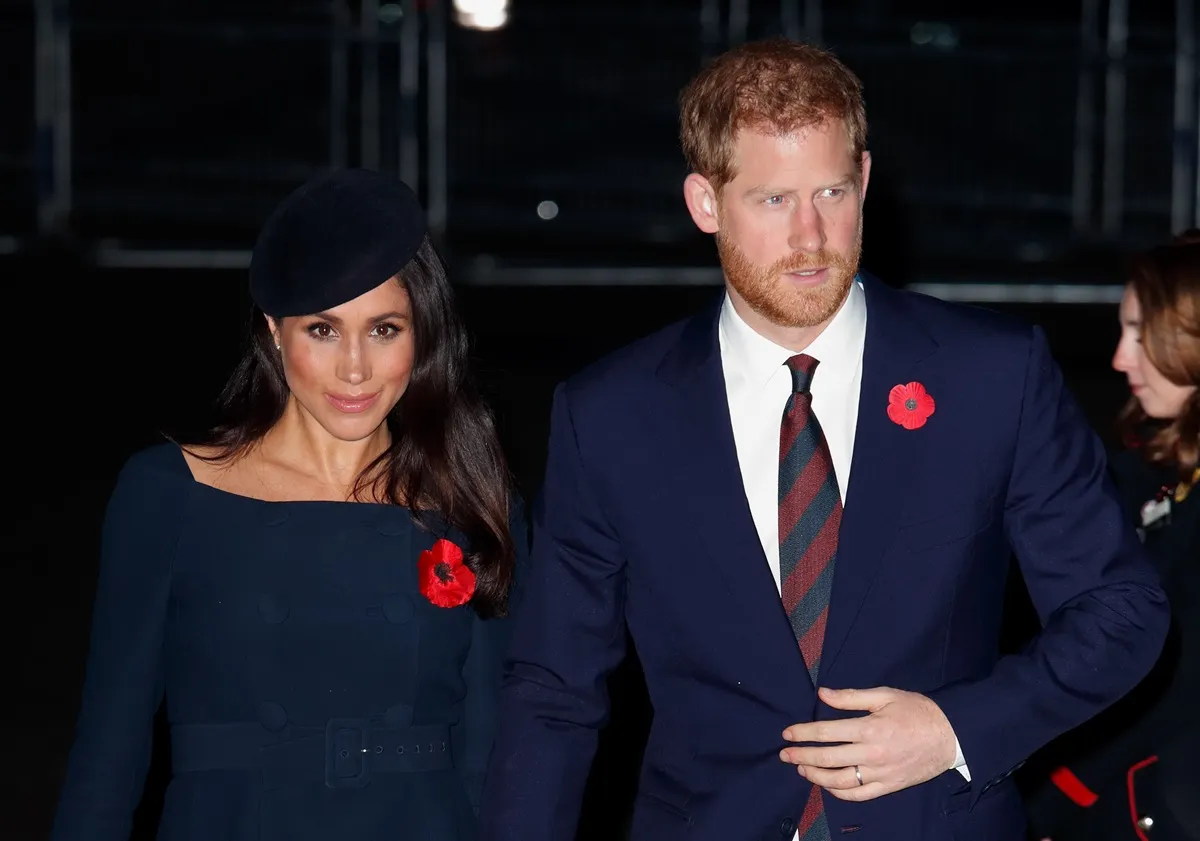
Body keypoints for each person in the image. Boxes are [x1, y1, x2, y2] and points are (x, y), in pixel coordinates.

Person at [477, 38, 1169, 841]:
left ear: (866, 180)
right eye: (773, 201)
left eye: (832, 192)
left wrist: (955, 729)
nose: (811, 236)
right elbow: (554, 688)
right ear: (705, 202)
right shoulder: (611, 415)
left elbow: (1122, 610)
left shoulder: (993, 377)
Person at [49, 169, 525, 841]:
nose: (355, 368)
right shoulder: (171, 495)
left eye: (384, 328)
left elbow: (492, 761)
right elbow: (107, 757)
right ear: (274, 330)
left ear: (421, 334)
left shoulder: (469, 499)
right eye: (324, 330)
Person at [1025, 234, 1200, 841]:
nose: (1122, 359)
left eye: (1142, 334)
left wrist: (1053, 796)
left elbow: (1174, 689)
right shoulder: (1152, 468)